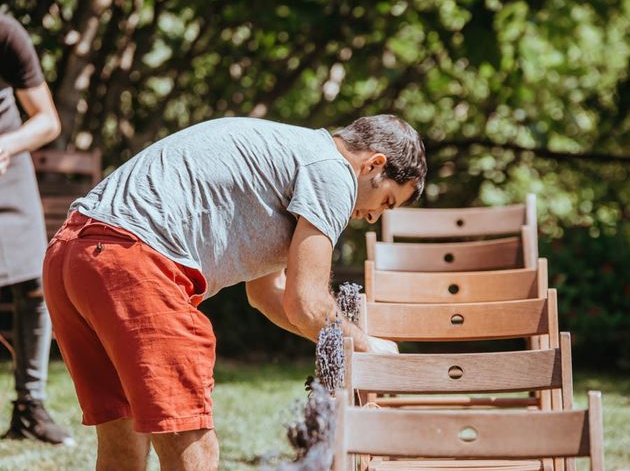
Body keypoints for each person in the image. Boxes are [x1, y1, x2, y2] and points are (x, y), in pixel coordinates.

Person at [43, 114, 427, 469]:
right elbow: (307, 304)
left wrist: (339, 343)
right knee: (192, 445)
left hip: (72, 256)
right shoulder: (332, 171)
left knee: (122, 442)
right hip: (131, 261)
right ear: (374, 164)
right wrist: (370, 347)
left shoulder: (292, 156)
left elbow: (267, 294)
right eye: (386, 201)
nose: (374, 217)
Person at [0, 13, 75, 446]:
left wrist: (7, 145)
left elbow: (47, 120)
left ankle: (30, 406)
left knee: (34, 285)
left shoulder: (6, 33)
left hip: (8, 165)